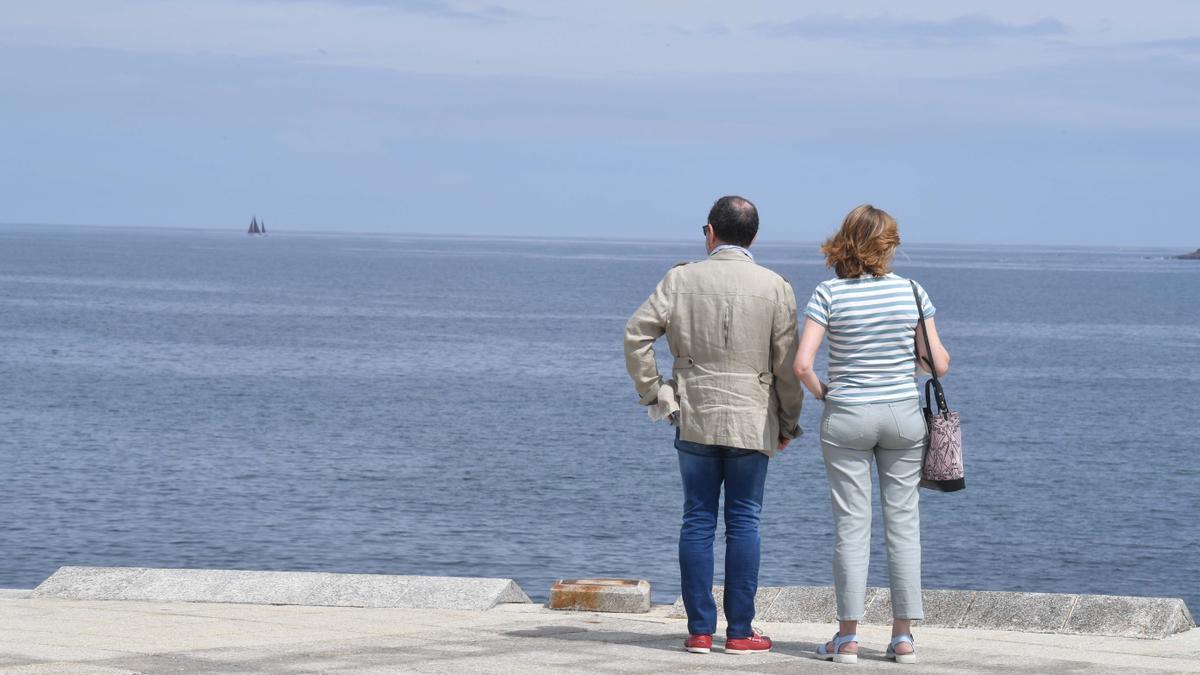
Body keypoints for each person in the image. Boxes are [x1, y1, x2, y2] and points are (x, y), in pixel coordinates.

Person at [624, 195, 804, 655]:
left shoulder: (680, 279)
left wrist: (657, 394)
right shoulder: (775, 286)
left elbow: (636, 335)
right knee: (745, 521)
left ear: (710, 232)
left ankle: (701, 630)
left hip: (693, 414)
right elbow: (786, 366)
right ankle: (741, 632)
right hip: (753, 417)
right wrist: (788, 422)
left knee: (698, 520)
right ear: (755, 237)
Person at [793, 204, 951, 665]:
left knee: (851, 526)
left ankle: (847, 639)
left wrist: (828, 394)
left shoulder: (828, 293)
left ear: (846, 241)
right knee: (903, 524)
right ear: (890, 245)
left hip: (847, 415)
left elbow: (802, 364)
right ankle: (903, 638)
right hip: (903, 416)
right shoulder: (913, 293)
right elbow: (936, 364)